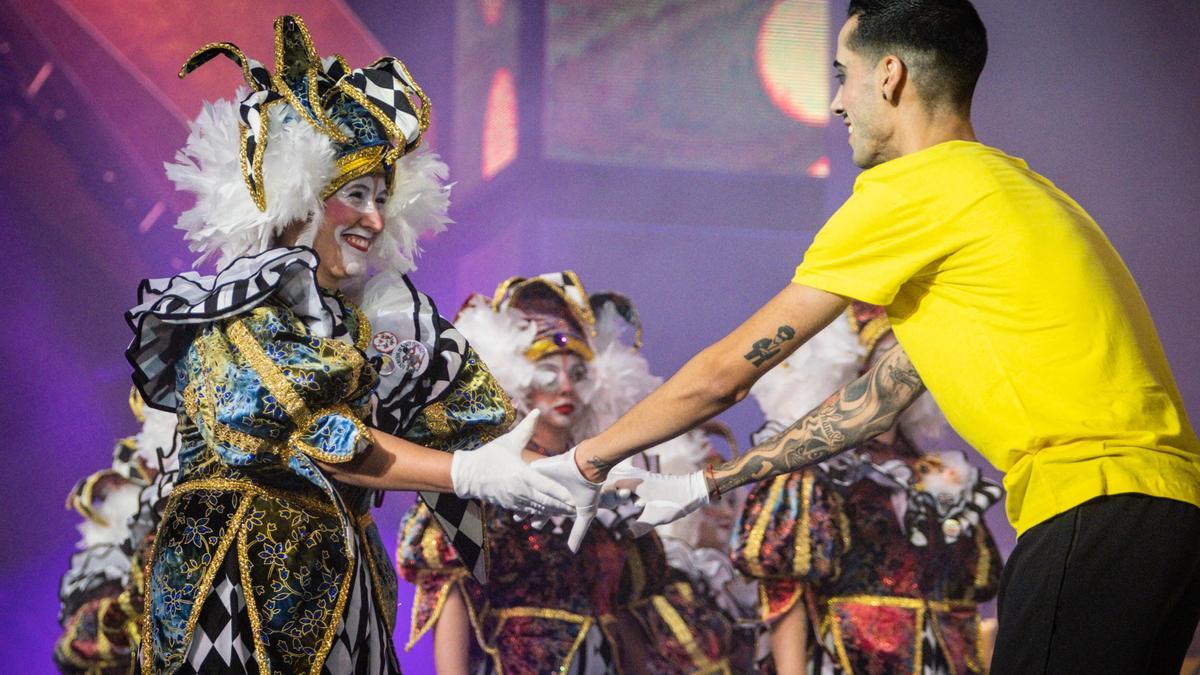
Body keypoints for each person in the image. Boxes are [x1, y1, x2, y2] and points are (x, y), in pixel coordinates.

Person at [532, 1, 1200, 672]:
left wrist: (590, 458)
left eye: (841, 74)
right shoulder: (1011, 189)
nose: (834, 102)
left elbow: (724, 376)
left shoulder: (910, 192)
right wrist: (709, 482)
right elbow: (876, 400)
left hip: (1094, 509)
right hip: (1167, 517)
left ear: (889, 75)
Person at [124, 16, 573, 673]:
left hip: (342, 598)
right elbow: (316, 434)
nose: (373, 217)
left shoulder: (383, 327)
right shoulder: (235, 310)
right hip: (238, 599)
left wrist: (615, 481)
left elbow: (483, 424)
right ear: (301, 198)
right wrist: (467, 473)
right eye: (355, 194)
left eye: (382, 198)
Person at [396, 272, 734, 673]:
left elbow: (627, 613)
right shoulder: (487, 484)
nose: (565, 389)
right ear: (515, 378)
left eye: (578, 374)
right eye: (547, 373)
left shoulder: (612, 495)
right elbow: (450, 592)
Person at [730, 302, 1002, 674]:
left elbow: (966, 591)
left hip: (944, 659)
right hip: (855, 657)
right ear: (854, 368)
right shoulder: (819, 469)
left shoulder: (935, 472)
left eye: (911, 356)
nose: (905, 367)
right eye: (889, 352)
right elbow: (784, 585)